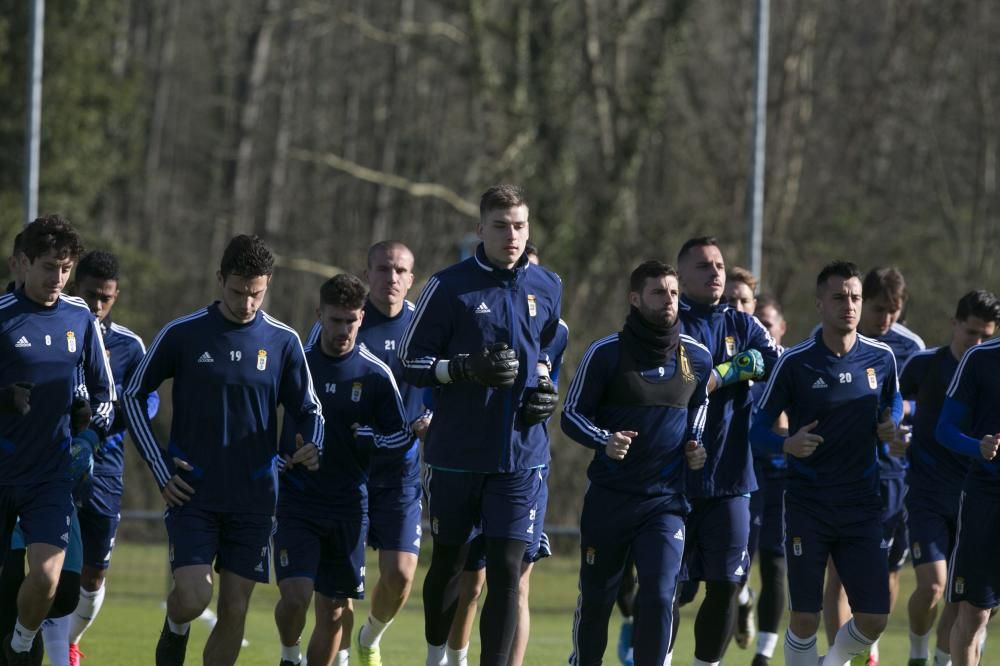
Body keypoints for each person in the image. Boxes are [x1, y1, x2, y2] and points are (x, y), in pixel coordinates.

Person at [122, 234, 324, 666]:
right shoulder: (183, 333)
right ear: (219, 280)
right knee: (194, 598)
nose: (247, 303)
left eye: (257, 293)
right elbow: (133, 395)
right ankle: (176, 625)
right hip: (192, 492)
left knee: (235, 609)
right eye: (237, 292)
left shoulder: (284, 341)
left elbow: (310, 409)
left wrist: (312, 445)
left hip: (254, 496)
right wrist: (160, 467)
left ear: (267, 285)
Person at [399, 184, 562, 665]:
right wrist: (463, 368)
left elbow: (548, 349)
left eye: (520, 226)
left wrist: (544, 390)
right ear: (480, 229)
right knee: (450, 562)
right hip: (457, 455)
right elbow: (411, 360)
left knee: (508, 571)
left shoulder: (548, 285)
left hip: (521, 456)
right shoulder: (448, 287)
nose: (512, 236)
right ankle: (436, 656)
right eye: (501, 226)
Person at [750, 260, 903, 666]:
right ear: (820, 304)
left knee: (874, 617)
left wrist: (891, 424)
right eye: (839, 297)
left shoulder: (881, 358)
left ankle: (831, 662)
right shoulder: (796, 362)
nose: (849, 305)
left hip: (861, 505)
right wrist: (788, 444)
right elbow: (758, 429)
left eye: (855, 297)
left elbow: (893, 403)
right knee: (804, 616)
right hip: (807, 504)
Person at [562, 260, 712, 665]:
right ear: (635, 298)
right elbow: (571, 415)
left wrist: (695, 444)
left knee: (661, 595)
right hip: (610, 499)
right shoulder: (605, 352)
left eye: (674, 293)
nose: (669, 300)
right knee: (598, 600)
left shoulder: (696, 357)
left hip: (665, 503)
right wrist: (604, 440)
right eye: (658, 292)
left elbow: (700, 406)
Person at [274, 274, 411, 666]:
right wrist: (277, 454)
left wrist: (369, 437)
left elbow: (400, 437)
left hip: (349, 504)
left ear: (362, 318)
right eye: (335, 320)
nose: (343, 330)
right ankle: (289, 655)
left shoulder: (374, 375)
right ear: (319, 315)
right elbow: (263, 415)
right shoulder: (295, 362)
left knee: (335, 610)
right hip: (297, 500)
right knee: (295, 596)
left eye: (351, 321)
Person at [443, 241, 568, 666]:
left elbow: (547, 370)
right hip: (468, 458)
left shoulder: (556, 322)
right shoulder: (466, 303)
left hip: (524, 464)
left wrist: (548, 394)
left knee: (514, 578)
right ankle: (452, 657)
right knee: (468, 580)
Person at [0, 216, 116, 666]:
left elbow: (106, 395)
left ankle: (21, 646)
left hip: (50, 475)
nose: (58, 278)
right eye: (49, 266)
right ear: (23, 263)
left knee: (49, 578)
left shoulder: (78, 318)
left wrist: (88, 438)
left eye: (66, 269)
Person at [305, 241, 426, 665]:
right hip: (343, 476)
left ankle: (370, 636)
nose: (390, 278)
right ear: (367, 272)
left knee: (400, 575)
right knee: (334, 597)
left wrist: (433, 419)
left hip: (400, 475)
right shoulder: (343, 320)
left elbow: (443, 392)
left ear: (412, 279)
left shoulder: (426, 327)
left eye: (400, 271)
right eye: (382, 269)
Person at [673, 238, 779, 666]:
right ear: (680, 276)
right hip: (675, 479)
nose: (715, 272)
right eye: (703, 266)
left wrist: (728, 371)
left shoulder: (743, 323)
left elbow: (775, 360)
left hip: (733, 479)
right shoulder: (668, 321)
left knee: (726, 586)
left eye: (718, 264)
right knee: (673, 589)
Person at [822, 266, 924, 665]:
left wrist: (902, 420)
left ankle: (868, 644)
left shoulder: (911, 347)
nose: (885, 319)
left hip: (894, 477)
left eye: (894, 311)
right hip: (844, 475)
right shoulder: (840, 341)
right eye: (879, 309)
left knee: (886, 570)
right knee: (841, 573)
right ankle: (841, 657)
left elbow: (924, 401)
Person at [64, 251, 159, 666]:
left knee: (94, 572)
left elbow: (147, 401)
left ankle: (68, 640)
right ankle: (36, 639)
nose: (97, 306)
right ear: (73, 288)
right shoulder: (58, 328)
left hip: (104, 469)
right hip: (49, 462)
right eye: (90, 296)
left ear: (116, 296)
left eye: (106, 298)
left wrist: (105, 421)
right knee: (43, 561)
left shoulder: (129, 345)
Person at [901, 290, 1000, 666]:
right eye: (970, 331)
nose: (975, 341)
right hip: (943, 495)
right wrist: (897, 423)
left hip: (965, 492)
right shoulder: (959, 363)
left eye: (983, 333)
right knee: (942, 591)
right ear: (955, 324)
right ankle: (917, 654)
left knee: (975, 608)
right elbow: (902, 406)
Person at [934, 317, 1000, 666]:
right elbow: (944, 429)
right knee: (974, 615)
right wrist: (979, 447)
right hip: (986, 500)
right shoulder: (980, 360)